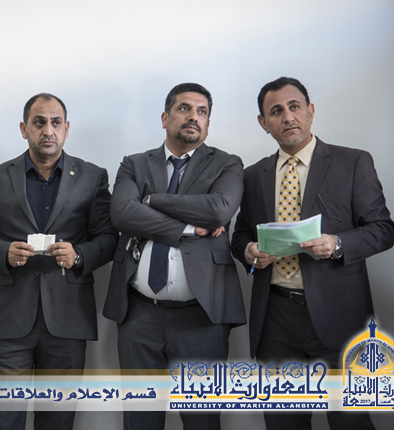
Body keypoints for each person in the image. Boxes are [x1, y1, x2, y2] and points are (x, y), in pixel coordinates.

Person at [231, 76, 394, 430]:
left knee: (350, 422)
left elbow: (382, 230)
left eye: (294, 107)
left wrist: (337, 244)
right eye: (276, 111)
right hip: (274, 318)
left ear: (311, 111)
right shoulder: (252, 175)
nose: (288, 117)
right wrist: (248, 250)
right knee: (283, 423)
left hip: (339, 316)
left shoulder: (352, 162)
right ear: (263, 122)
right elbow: (240, 233)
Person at [0, 93, 118, 430]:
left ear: (66, 129)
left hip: (68, 317)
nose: (48, 130)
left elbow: (109, 239)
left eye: (55, 123)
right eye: (39, 122)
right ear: (24, 129)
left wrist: (79, 255)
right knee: (1, 417)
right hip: (10, 319)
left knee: (57, 419)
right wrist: (4, 252)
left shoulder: (92, 177)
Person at [103, 83, 246, 430]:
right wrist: (189, 228)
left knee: (202, 421)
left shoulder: (227, 164)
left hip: (202, 316)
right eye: (184, 109)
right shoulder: (134, 164)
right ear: (165, 117)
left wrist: (152, 201)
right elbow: (122, 213)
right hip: (138, 314)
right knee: (140, 420)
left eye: (202, 112)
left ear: (208, 123)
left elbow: (218, 210)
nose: (194, 117)